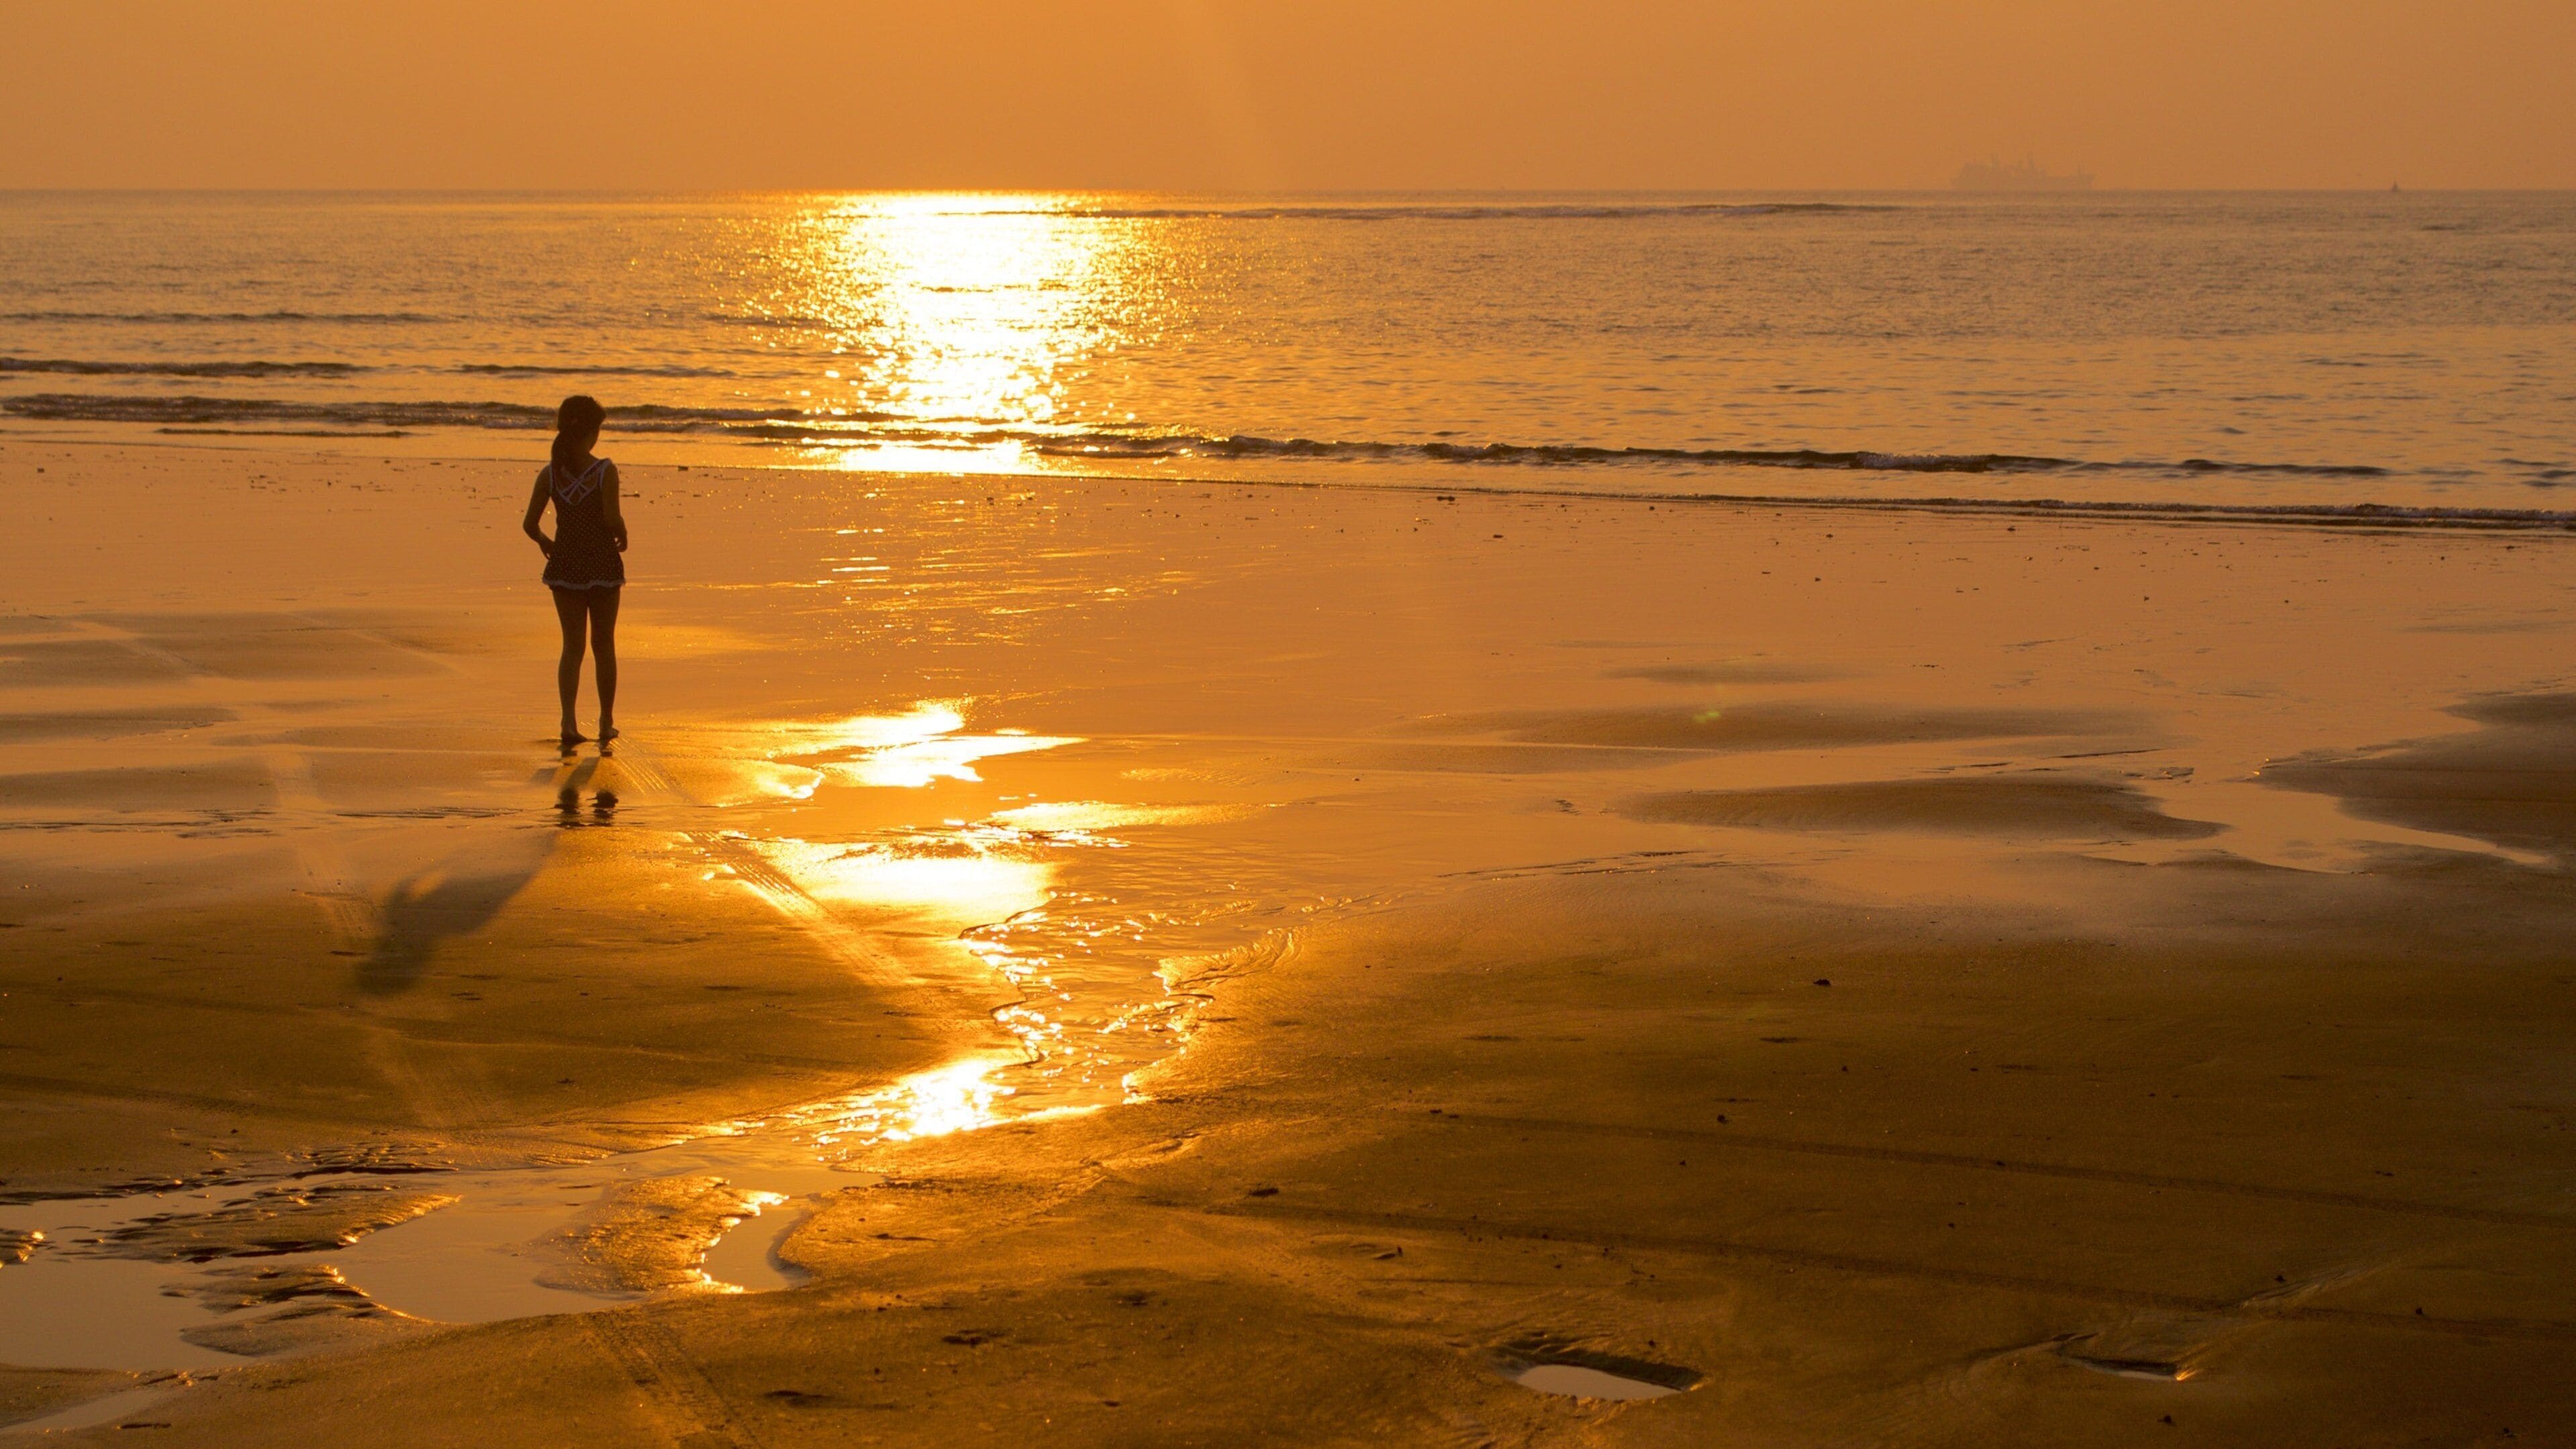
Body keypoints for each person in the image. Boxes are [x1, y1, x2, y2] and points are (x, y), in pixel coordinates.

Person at [522, 395, 627, 747]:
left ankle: (568, 721)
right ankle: (605, 721)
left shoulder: (550, 474)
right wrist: (623, 532)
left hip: (565, 564)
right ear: (591, 431)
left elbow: (529, 524)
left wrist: (543, 541)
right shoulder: (604, 471)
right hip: (601, 564)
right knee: (604, 644)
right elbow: (612, 519)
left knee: (572, 647)